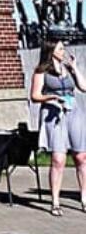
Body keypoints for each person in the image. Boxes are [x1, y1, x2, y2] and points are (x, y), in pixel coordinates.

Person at [30, 41, 86, 215]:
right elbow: (35, 96)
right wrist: (52, 97)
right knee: (58, 159)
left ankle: (84, 197)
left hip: (74, 112)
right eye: (60, 48)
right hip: (54, 113)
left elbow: (83, 87)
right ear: (51, 50)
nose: (63, 51)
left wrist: (75, 68)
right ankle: (55, 201)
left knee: (81, 156)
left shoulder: (67, 69)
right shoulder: (41, 72)